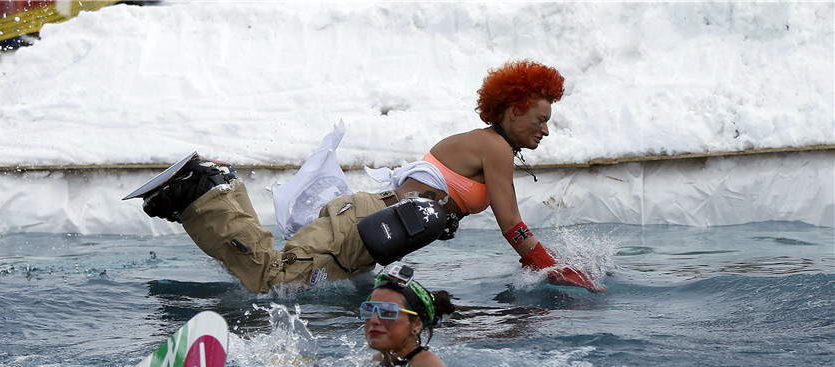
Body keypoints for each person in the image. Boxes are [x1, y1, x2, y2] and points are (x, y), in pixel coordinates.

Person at [136, 59, 604, 294]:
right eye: (539, 119)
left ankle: (214, 188)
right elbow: (512, 225)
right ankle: (202, 192)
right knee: (273, 281)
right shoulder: (496, 147)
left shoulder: (486, 143)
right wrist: (552, 268)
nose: (545, 130)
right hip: (367, 225)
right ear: (512, 110)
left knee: (287, 282)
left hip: (367, 222)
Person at [215, 265, 470, 367]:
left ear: (416, 324)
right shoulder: (378, 360)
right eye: (370, 309)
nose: (375, 320)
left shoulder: (424, 363)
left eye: (388, 312)